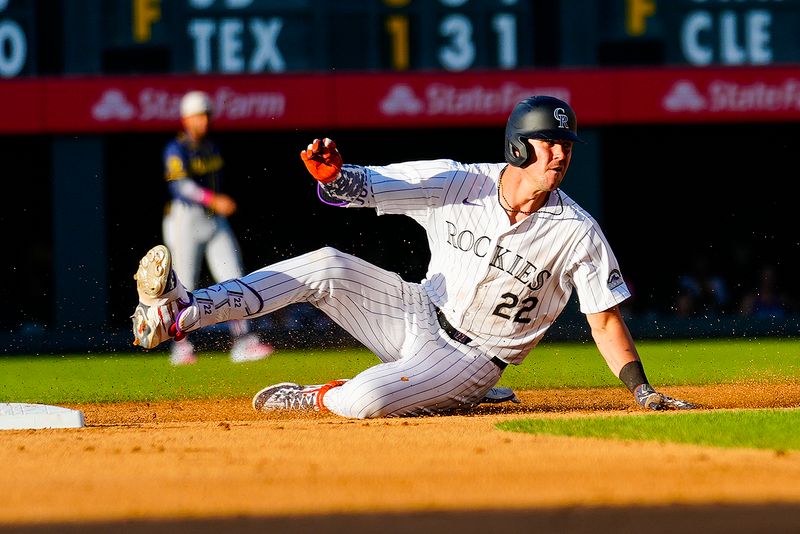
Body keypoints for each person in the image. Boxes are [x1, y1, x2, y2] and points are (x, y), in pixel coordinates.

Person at [132, 95, 695, 416]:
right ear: (519, 146)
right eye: (550, 142)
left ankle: (320, 395)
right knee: (327, 262)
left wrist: (642, 390)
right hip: (416, 312)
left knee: (367, 400)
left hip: (474, 361)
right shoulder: (459, 182)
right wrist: (337, 176)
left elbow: (604, 319)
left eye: (567, 145)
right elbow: (371, 185)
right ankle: (181, 311)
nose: (560, 154)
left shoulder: (577, 231)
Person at [159, 90, 274, 365]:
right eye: (198, 116)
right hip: (184, 219)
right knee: (182, 284)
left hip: (211, 219)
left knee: (234, 279)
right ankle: (180, 345)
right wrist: (213, 199)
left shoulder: (211, 146)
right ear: (186, 119)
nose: (203, 121)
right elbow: (179, 186)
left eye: (206, 115)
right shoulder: (177, 148)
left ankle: (243, 342)